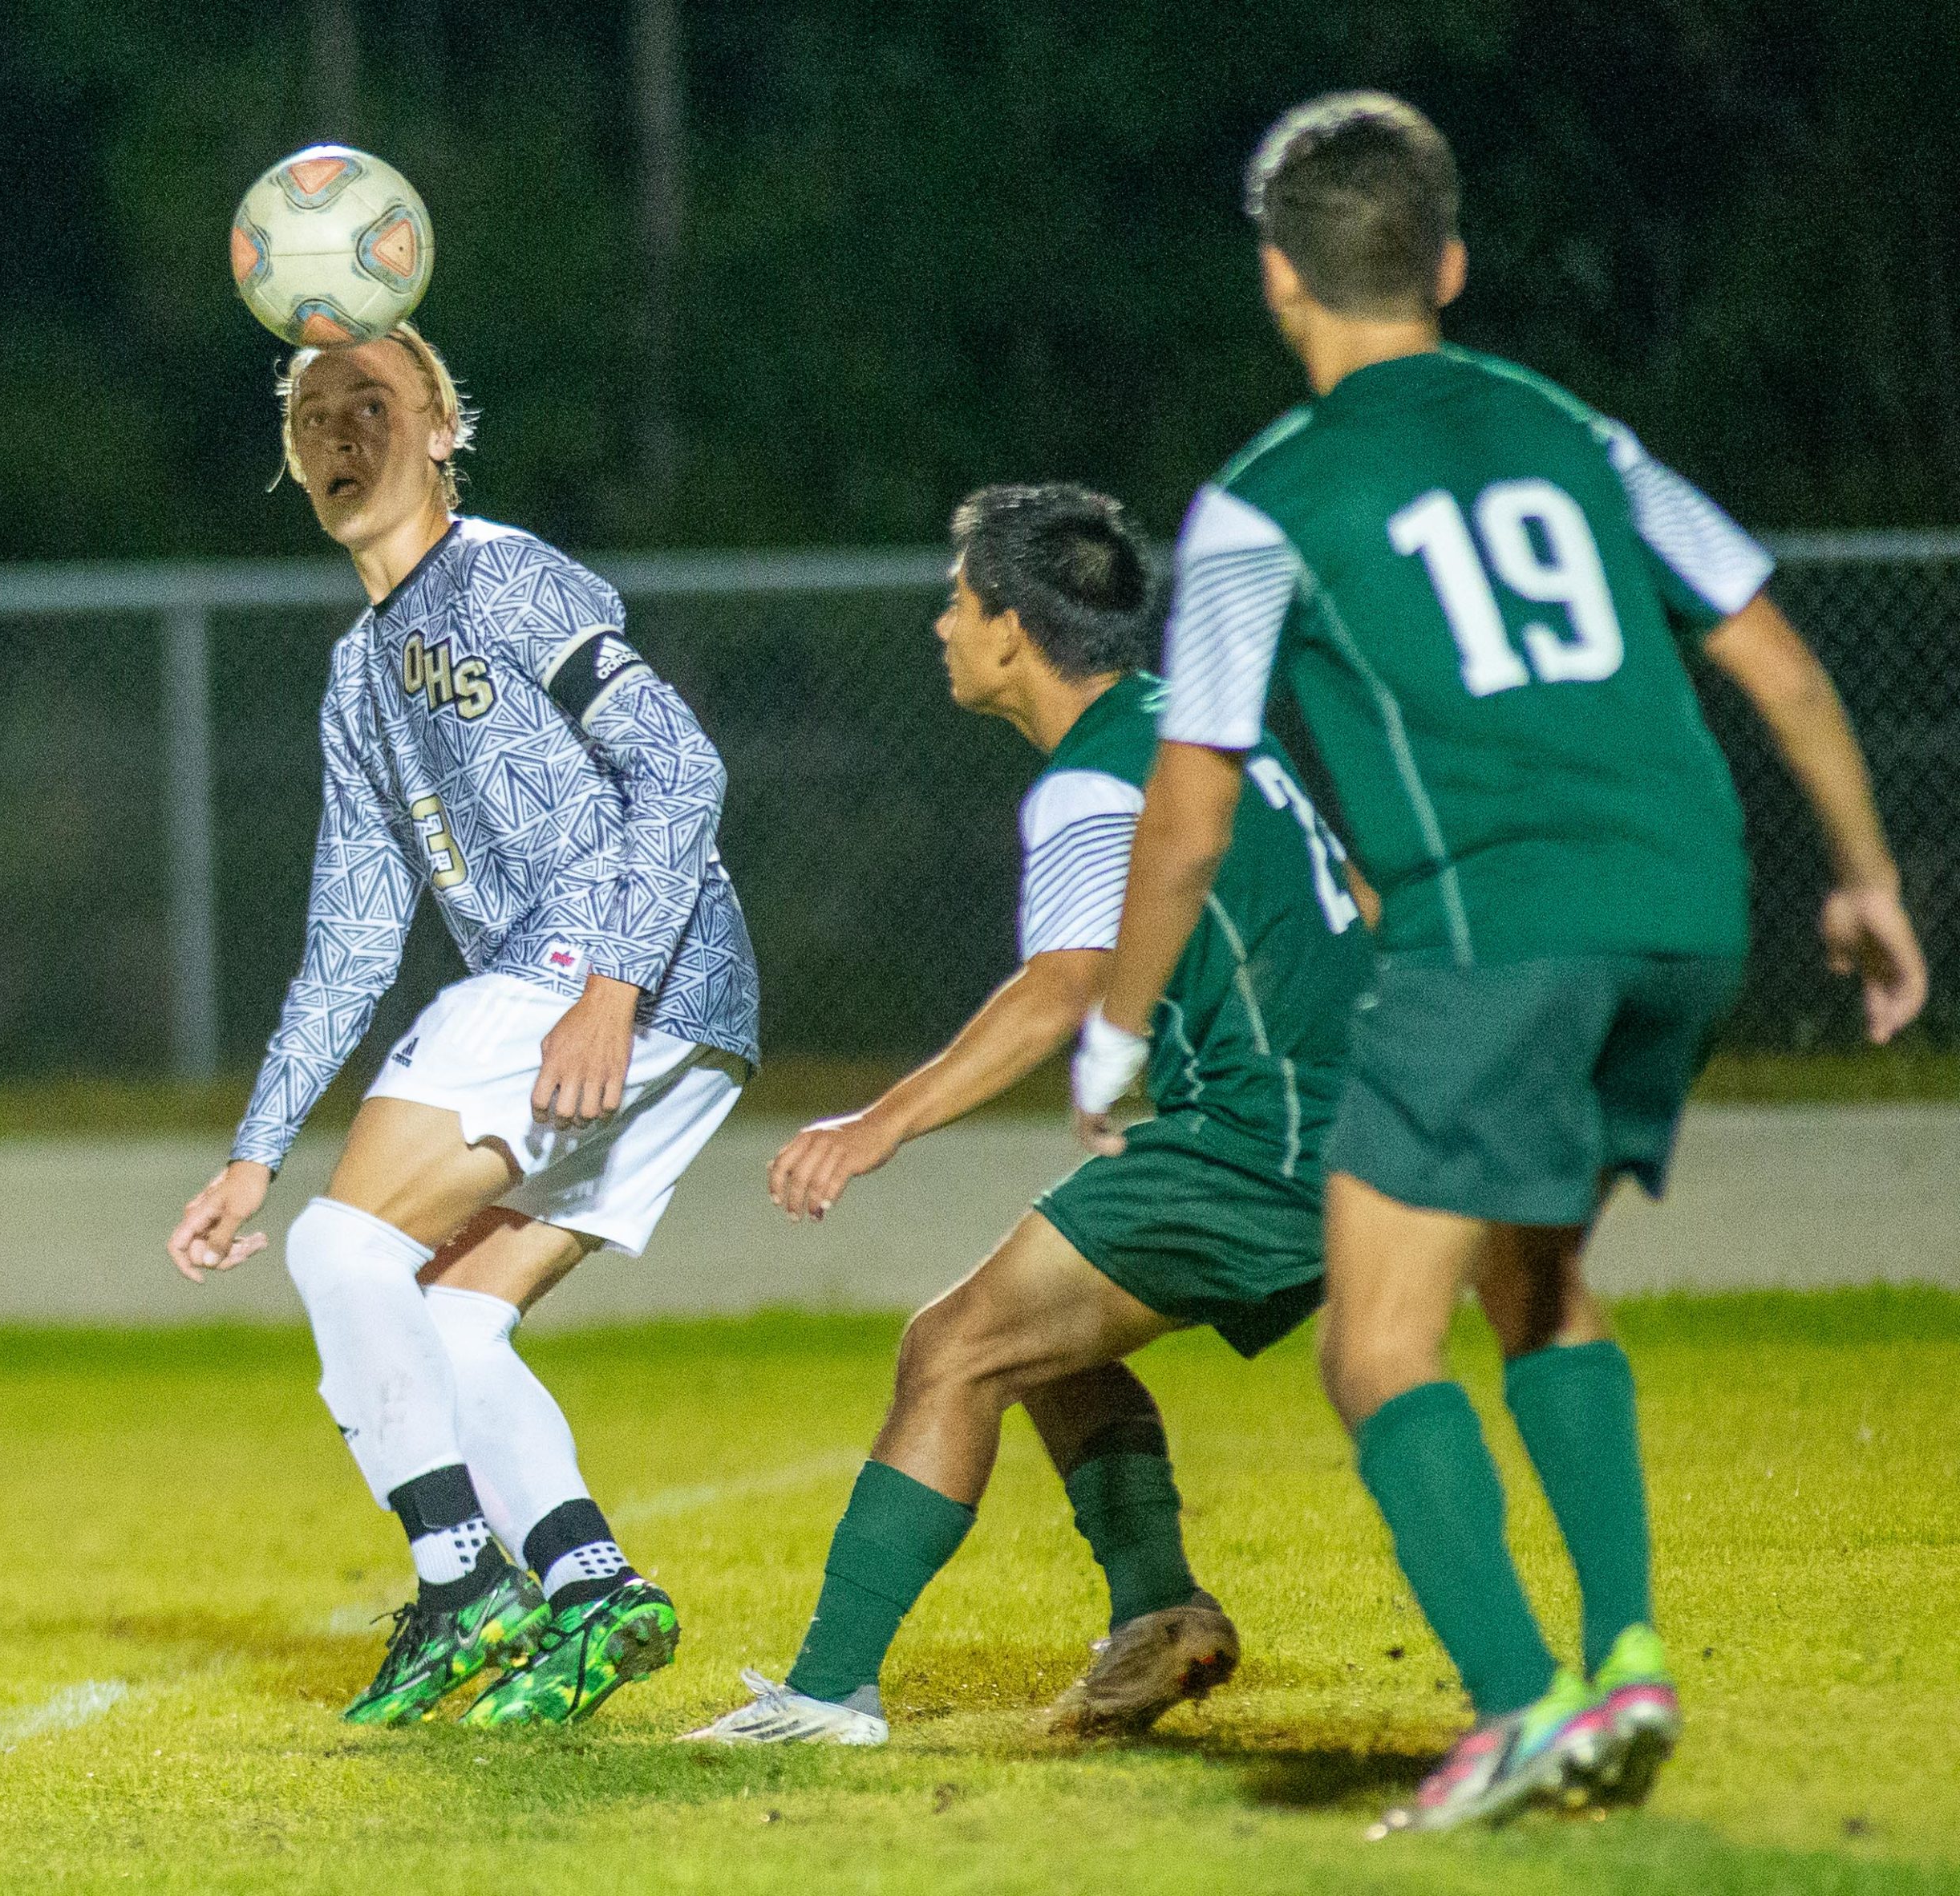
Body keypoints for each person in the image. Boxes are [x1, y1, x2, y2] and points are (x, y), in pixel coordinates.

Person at [1071, 93, 1929, 1833]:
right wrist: (1862, 879)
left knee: (1374, 1347)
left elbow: (1181, 814)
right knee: (1531, 1278)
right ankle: (1620, 1662)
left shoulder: (1261, 504)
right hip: (1687, 908)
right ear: (1446, 262)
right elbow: (1769, 656)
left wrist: (1112, 1033)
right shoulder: (1567, 428)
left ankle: (1517, 1708)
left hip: (1493, 927)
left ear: (1276, 283)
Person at [688, 483, 1370, 1746]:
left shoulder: (1092, 782)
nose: (940, 626)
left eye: (956, 602)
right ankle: (1161, 1617)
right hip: (1339, 1125)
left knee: (951, 1348)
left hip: (1258, 1144)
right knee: (1050, 1342)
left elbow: (1060, 985)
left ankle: (827, 1694)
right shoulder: (1199, 730)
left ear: (1011, 628)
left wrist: (872, 1126)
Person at [165, 323, 760, 1729]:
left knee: (344, 1246)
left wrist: (610, 984)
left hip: (620, 967)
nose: (343, 434)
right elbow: (353, 938)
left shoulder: (501, 575)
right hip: (697, 1014)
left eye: (377, 402)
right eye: (315, 414)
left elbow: (681, 764)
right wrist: (254, 1144)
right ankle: (590, 1584)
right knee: (449, 1317)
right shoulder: (360, 676)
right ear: (291, 456)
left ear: (445, 431)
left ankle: (458, 1585)